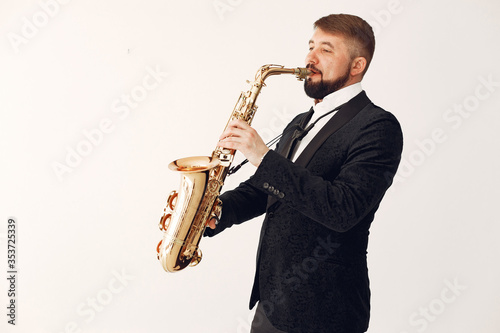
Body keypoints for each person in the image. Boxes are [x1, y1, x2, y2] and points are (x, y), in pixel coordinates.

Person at [204, 13, 403, 333]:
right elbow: (265, 190)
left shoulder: (378, 127)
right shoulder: (299, 122)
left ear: (357, 65)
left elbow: (343, 208)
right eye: (310, 46)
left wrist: (263, 157)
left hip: (326, 312)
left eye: (326, 49)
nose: (310, 57)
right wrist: (213, 212)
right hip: (272, 305)